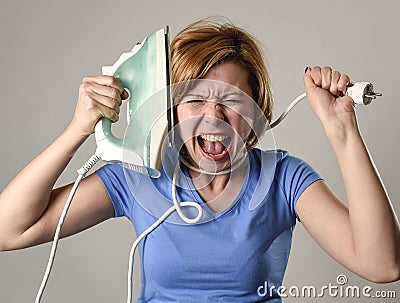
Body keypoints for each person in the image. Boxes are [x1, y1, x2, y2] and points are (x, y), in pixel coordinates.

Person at [0, 17, 399, 302]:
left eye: (231, 102)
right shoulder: (140, 178)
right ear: (172, 112)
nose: (213, 117)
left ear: (257, 111)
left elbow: (382, 265)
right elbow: (8, 231)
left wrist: (341, 127)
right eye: (194, 100)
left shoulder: (283, 178)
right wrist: (78, 129)